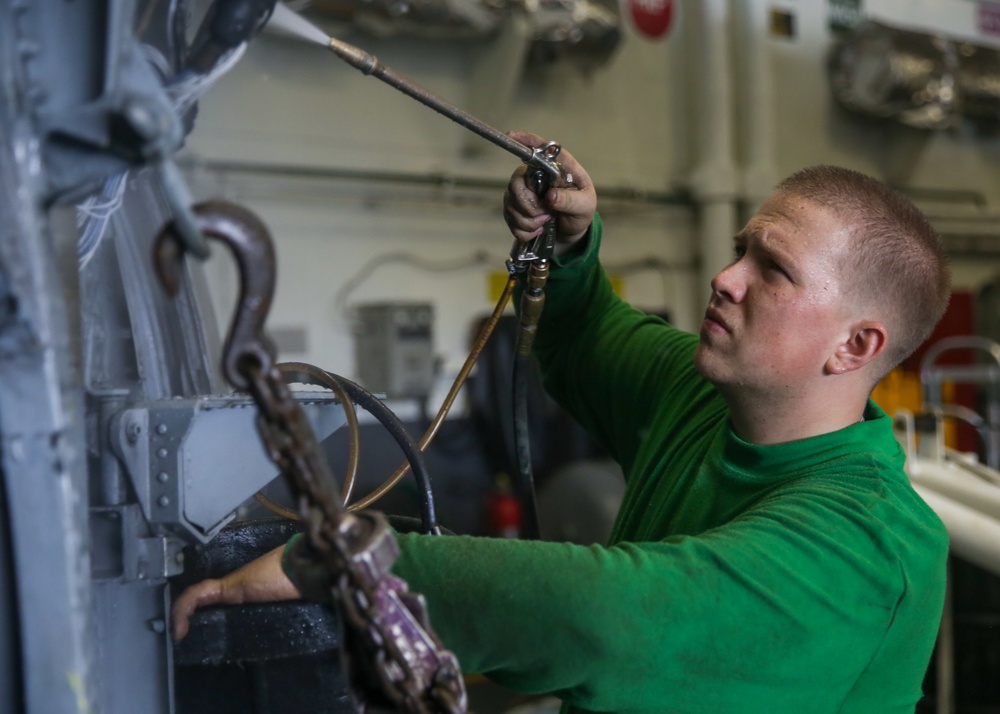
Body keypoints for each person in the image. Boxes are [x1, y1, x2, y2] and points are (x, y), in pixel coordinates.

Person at [172, 132, 952, 713]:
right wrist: (571, 246)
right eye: (739, 248)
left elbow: (614, 621)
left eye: (772, 269)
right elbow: (591, 340)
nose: (725, 277)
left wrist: (346, 563)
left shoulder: (869, 548)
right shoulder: (708, 399)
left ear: (856, 345)